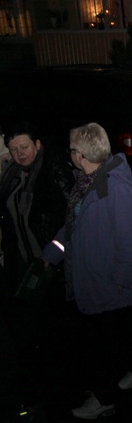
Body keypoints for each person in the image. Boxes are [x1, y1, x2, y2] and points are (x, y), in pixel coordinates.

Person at [41, 122, 132, 419]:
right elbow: (75, 226)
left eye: (72, 149)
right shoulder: (87, 182)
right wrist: (53, 251)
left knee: (100, 350)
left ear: (80, 154)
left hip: (109, 287)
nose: (70, 154)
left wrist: (115, 283)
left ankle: (104, 400)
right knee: (118, 341)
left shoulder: (115, 187)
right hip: (97, 283)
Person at [0, 122, 72, 298]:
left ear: (37, 144)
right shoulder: (12, 173)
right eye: (13, 149)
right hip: (23, 261)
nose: (19, 154)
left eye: (24, 147)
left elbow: (75, 215)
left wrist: (54, 253)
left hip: (52, 262)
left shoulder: (53, 170)